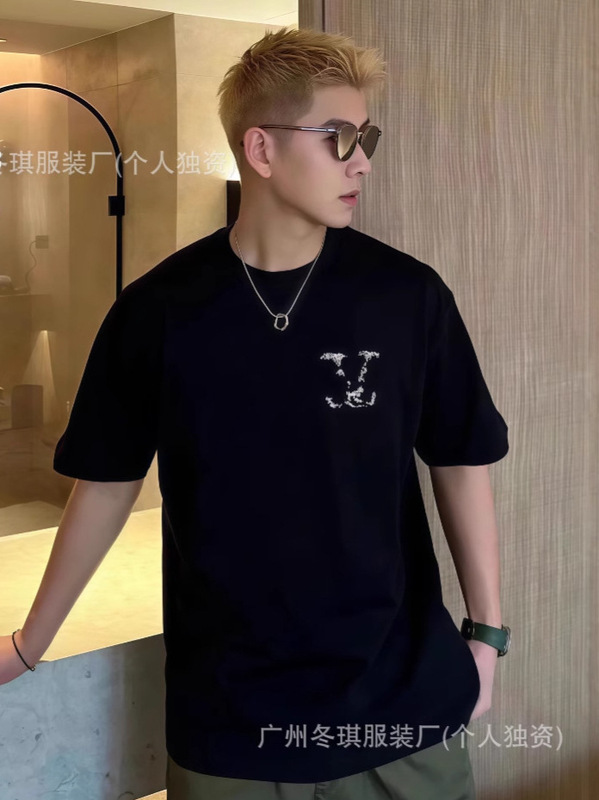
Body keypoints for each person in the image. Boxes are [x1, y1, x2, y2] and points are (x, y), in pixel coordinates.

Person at [0, 26, 510, 800]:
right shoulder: (158, 311)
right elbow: (105, 483)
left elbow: (460, 459)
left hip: (402, 709)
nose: (363, 161)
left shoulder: (407, 297)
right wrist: (29, 643)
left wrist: (486, 637)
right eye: (339, 138)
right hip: (231, 722)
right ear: (261, 149)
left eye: (365, 137)